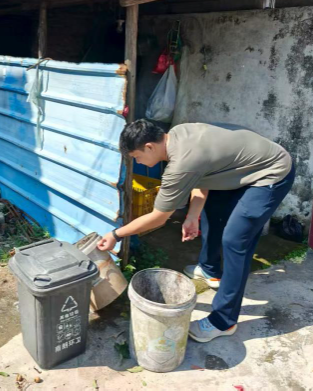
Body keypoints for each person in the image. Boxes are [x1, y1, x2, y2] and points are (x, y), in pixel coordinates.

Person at [97, 119, 295, 343]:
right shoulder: (178, 134)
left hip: (271, 173)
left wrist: (116, 235)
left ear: (150, 147)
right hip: (243, 168)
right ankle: (211, 270)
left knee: (236, 241)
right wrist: (192, 216)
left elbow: (159, 217)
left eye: (136, 156)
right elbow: (203, 175)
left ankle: (224, 321)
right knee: (213, 211)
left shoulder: (180, 165)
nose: (137, 161)